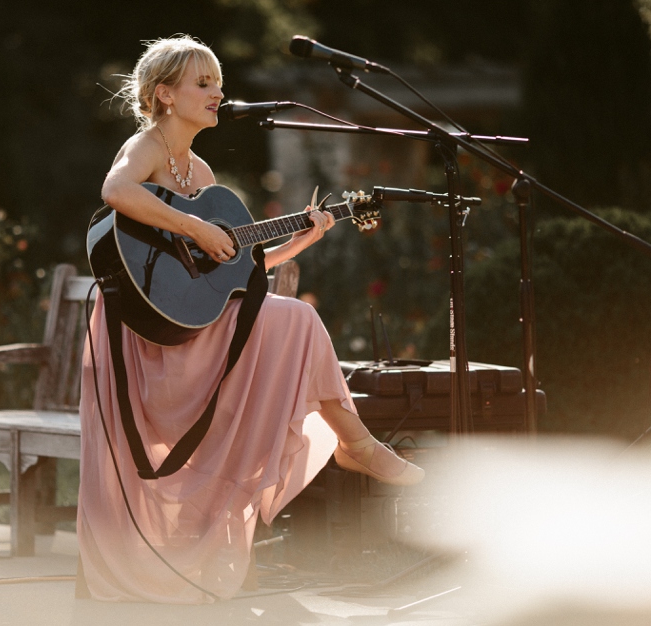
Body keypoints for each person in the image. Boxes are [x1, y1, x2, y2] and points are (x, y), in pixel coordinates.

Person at [76, 35, 424, 603]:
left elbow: (230, 271)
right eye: (204, 83)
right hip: (146, 344)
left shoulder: (202, 169)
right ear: (165, 95)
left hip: (191, 330)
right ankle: (355, 443)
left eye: (218, 82)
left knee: (294, 319)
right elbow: (115, 191)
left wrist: (300, 241)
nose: (218, 92)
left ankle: (353, 442)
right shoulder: (145, 146)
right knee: (296, 320)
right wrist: (195, 228)